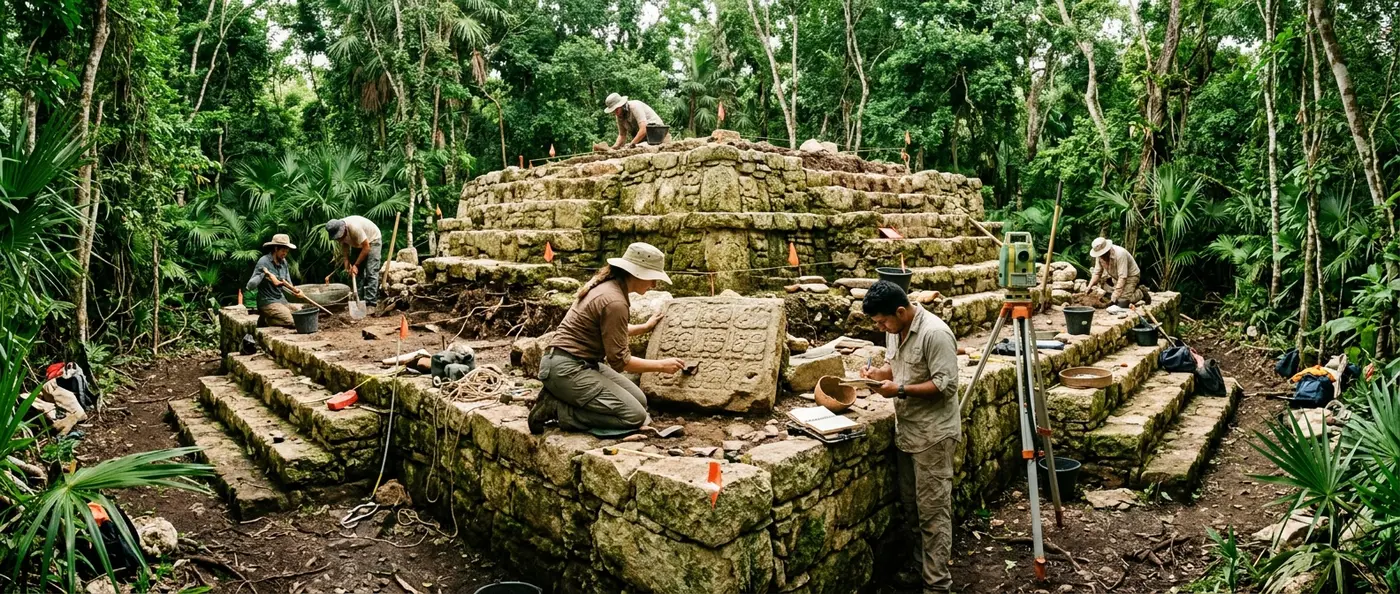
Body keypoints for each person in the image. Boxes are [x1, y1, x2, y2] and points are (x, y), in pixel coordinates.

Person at [859, 280, 961, 594]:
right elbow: (898, 367)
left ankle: (937, 585)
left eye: (883, 321)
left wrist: (899, 389)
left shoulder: (935, 333)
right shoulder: (895, 330)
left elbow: (946, 386)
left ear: (901, 311)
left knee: (933, 513)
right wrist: (881, 375)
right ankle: (920, 571)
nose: (881, 327)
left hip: (933, 436)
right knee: (913, 509)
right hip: (908, 433)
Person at [528, 242, 686, 435]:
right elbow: (620, 362)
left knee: (640, 400)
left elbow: (610, 329)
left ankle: (566, 399)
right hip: (565, 368)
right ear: (637, 273)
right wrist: (661, 366)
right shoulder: (615, 301)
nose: (654, 285)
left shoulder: (609, 286)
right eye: (652, 278)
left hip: (577, 363)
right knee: (633, 416)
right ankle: (558, 410)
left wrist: (644, 327)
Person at [245, 234, 304, 327]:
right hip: (267, 301)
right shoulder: (264, 262)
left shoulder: (284, 262)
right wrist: (264, 274)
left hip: (281, 300)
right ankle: (268, 321)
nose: (285, 254)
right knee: (293, 321)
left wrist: (296, 291)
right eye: (283, 251)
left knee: (301, 315)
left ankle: (270, 319)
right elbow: (250, 286)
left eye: (287, 251)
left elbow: (288, 282)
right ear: (276, 249)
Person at [326, 216, 383, 306]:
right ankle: (358, 301)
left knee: (371, 271)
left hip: (372, 240)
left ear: (343, 229)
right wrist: (346, 260)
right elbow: (344, 244)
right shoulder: (337, 230)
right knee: (356, 273)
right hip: (358, 244)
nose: (339, 239)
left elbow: (367, 247)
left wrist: (356, 264)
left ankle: (370, 302)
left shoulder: (354, 228)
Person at [1087, 236, 1150, 308]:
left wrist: (1115, 295)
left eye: (1103, 254)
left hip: (1131, 276)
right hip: (1116, 277)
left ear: (1107, 250)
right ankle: (1129, 291)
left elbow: (1123, 276)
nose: (1102, 257)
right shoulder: (1099, 256)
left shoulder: (1120, 254)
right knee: (1111, 297)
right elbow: (1097, 273)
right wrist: (1089, 286)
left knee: (1122, 303)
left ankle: (1140, 293)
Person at [603, 93, 671, 149]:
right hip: (643, 139)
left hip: (657, 134)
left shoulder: (634, 106)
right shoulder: (619, 116)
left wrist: (631, 144)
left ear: (621, 105)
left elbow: (643, 129)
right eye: (613, 111)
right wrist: (613, 148)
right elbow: (622, 135)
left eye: (616, 110)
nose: (616, 113)